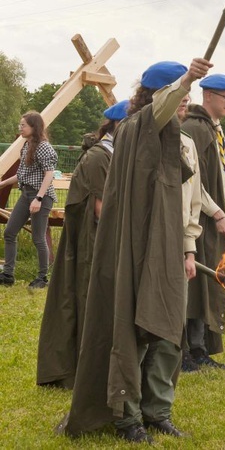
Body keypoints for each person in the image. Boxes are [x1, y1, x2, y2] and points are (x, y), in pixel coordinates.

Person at [62, 58, 211, 443]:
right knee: (131, 329)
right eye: (177, 95)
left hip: (170, 249)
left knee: (167, 332)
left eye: (187, 96)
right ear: (154, 95)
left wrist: (189, 248)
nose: (184, 102)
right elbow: (157, 112)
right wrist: (186, 78)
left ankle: (157, 410)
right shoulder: (136, 128)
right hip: (135, 250)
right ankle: (127, 416)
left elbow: (188, 201)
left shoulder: (178, 140)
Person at [36, 100, 127, 388]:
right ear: (118, 126)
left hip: (105, 239)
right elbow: (102, 208)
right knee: (87, 301)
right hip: (93, 243)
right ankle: (82, 371)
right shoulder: (100, 157)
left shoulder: (115, 154)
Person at [180, 74, 225, 370]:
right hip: (196, 217)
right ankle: (186, 351)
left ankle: (199, 347)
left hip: (211, 217)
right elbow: (192, 182)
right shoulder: (194, 128)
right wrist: (216, 213)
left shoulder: (213, 129)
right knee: (194, 284)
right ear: (209, 97)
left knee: (207, 282)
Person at [0, 112, 57, 289]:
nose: (20, 128)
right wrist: (2, 183)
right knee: (10, 232)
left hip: (41, 196)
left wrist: (39, 198)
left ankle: (42, 278)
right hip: (26, 195)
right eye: (20, 125)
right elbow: (21, 174)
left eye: (23, 125)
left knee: (38, 238)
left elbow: (49, 174)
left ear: (34, 127)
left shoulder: (44, 147)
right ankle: (8, 274)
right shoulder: (26, 146)